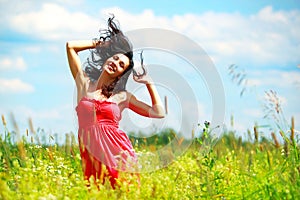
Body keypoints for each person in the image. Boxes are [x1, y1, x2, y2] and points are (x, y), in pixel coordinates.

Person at [66, 16, 165, 189]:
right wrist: (103, 45)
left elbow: (158, 112)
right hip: (91, 155)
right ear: (107, 59)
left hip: (119, 156)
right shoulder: (84, 84)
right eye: (115, 58)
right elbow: (70, 47)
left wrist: (149, 83)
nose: (115, 63)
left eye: (121, 65)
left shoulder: (122, 97)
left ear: (120, 74)